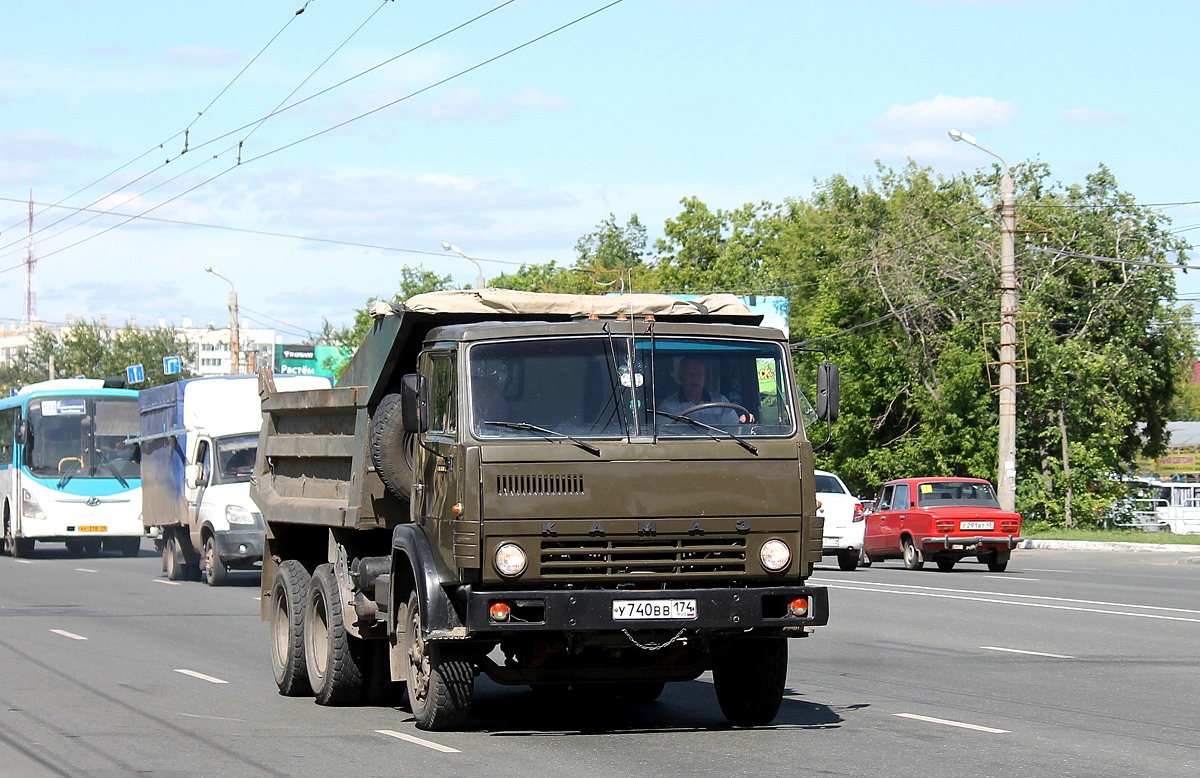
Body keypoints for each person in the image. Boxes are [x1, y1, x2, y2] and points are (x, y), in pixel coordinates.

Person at [658, 357, 749, 426]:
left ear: (705, 376)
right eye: (689, 374)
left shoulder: (721, 403)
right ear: (681, 377)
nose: (695, 378)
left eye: (699, 374)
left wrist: (742, 422)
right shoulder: (668, 407)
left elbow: (734, 428)